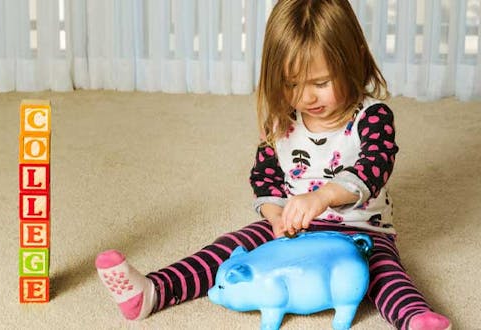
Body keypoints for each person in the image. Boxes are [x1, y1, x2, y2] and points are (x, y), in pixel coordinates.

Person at [95, 1, 451, 329]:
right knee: (228, 249)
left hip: (363, 232)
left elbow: (374, 166)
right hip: (293, 229)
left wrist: (322, 197)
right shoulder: (283, 123)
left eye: (321, 83)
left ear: (355, 59)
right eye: (292, 84)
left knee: (387, 274)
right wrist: (275, 216)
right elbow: (265, 178)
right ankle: (154, 291)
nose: (306, 97)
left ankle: (415, 318)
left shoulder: (372, 117)